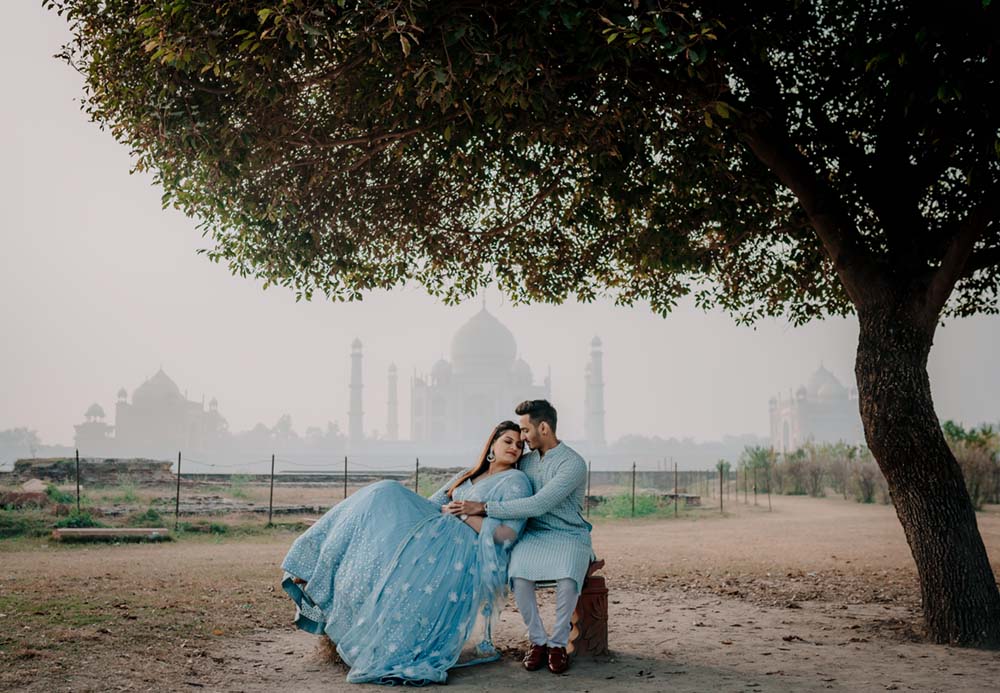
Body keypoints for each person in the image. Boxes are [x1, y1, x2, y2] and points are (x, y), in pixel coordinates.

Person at [281, 421, 532, 685]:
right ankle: (315, 563)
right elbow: (433, 504)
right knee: (384, 492)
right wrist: (432, 514)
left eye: (519, 445)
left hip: (463, 550)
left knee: (388, 501)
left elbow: (508, 534)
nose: (514, 448)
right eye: (508, 441)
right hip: (433, 533)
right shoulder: (467, 474)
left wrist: (465, 514)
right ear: (492, 444)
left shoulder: (516, 481)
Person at [446, 399, 593, 675]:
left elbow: (539, 504)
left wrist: (483, 508)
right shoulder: (524, 462)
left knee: (568, 578)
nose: (522, 438)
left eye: (525, 430)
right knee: (519, 576)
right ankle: (538, 641)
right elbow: (495, 478)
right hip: (533, 534)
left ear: (544, 428)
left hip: (569, 534)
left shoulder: (572, 464)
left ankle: (558, 644)